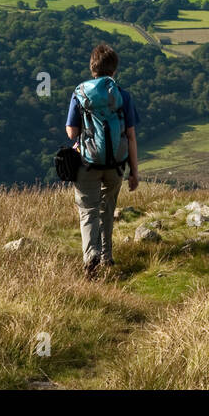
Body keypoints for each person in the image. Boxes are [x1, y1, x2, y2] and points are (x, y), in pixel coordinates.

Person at [65, 43, 139, 277]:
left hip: (87, 163)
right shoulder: (123, 96)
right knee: (108, 209)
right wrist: (134, 172)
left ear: (92, 68)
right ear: (114, 70)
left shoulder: (80, 93)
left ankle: (91, 257)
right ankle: (107, 257)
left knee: (88, 211)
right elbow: (131, 137)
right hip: (116, 165)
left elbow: (71, 132)